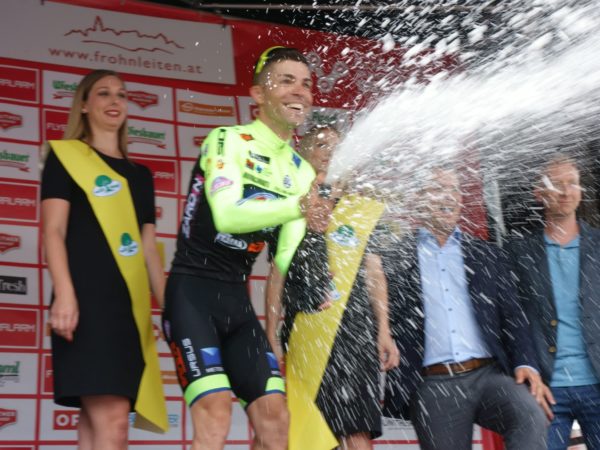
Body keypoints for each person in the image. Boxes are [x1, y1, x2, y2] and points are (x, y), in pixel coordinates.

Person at [162, 47, 327, 450]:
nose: (300, 91)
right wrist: (297, 207)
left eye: (306, 83)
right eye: (286, 81)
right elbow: (226, 215)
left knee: (275, 418)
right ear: (258, 94)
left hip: (237, 301)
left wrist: (313, 233)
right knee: (215, 410)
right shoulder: (227, 140)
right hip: (192, 293)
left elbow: (283, 258)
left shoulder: (301, 171)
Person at [41, 69, 168, 450]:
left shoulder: (141, 176)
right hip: (83, 304)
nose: (115, 101)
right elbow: (53, 231)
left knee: (96, 423)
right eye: (104, 93)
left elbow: (148, 249)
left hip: (126, 312)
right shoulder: (66, 157)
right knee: (112, 421)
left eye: (122, 94)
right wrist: (64, 294)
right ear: (83, 105)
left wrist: (171, 309)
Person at [383, 165, 552, 450]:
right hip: (433, 383)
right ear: (419, 198)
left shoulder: (485, 253)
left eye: (453, 190)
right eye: (438, 189)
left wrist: (526, 364)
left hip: (488, 375)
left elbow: (513, 315)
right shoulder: (397, 257)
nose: (448, 196)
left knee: (530, 415)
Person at [265, 125, 400, 450]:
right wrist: (270, 333)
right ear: (306, 153)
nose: (329, 152)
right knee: (311, 433)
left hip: (355, 333)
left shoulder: (361, 209)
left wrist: (384, 330)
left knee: (357, 431)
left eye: (337, 147)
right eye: (321, 145)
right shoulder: (291, 208)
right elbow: (277, 276)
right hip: (306, 331)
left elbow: (375, 273)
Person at [507, 156, 600, 450]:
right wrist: (525, 367)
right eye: (556, 184)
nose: (565, 191)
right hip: (544, 389)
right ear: (539, 193)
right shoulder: (518, 253)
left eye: (572, 183)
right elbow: (512, 318)